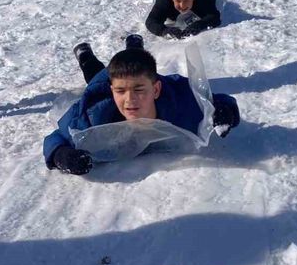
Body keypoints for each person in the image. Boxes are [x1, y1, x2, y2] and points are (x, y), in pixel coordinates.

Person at [43, 37, 240, 175]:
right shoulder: (92, 114)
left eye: (139, 90)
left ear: (156, 90)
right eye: (120, 91)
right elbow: (56, 138)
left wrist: (224, 112)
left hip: (145, 77)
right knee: (95, 74)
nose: (129, 99)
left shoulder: (180, 100)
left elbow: (218, 101)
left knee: (136, 64)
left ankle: (135, 46)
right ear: (112, 91)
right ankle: (85, 55)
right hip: (104, 81)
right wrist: (62, 156)